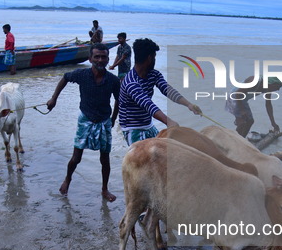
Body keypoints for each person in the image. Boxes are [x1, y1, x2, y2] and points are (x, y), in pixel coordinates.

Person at [46, 43, 120, 201]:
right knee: (76, 157)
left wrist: (113, 119)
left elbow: (118, 101)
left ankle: (105, 189)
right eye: (97, 57)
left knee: (104, 159)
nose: (100, 60)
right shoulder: (81, 74)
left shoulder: (113, 80)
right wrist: (54, 99)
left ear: (108, 59)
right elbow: (65, 78)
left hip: (104, 121)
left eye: (103, 57)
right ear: (90, 58)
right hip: (85, 119)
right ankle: (67, 179)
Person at [118, 38, 201, 145]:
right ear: (149, 58)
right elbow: (147, 104)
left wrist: (189, 105)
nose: (155, 60)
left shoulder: (153, 74)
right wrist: (168, 121)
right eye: (154, 57)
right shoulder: (131, 82)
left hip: (148, 125)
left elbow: (168, 90)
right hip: (133, 128)